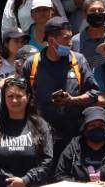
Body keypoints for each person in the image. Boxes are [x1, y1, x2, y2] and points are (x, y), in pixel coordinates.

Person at [23, 17, 99, 155]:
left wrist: (73, 100)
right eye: (66, 38)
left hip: (73, 135)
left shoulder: (78, 61)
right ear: (52, 41)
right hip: (41, 135)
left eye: (71, 38)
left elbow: (94, 93)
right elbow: (24, 97)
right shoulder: (32, 64)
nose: (70, 43)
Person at [71, 0, 105, 69]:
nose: (97, 13)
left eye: (100, 10)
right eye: (92, 10)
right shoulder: (75, 41)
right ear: (84, 14)